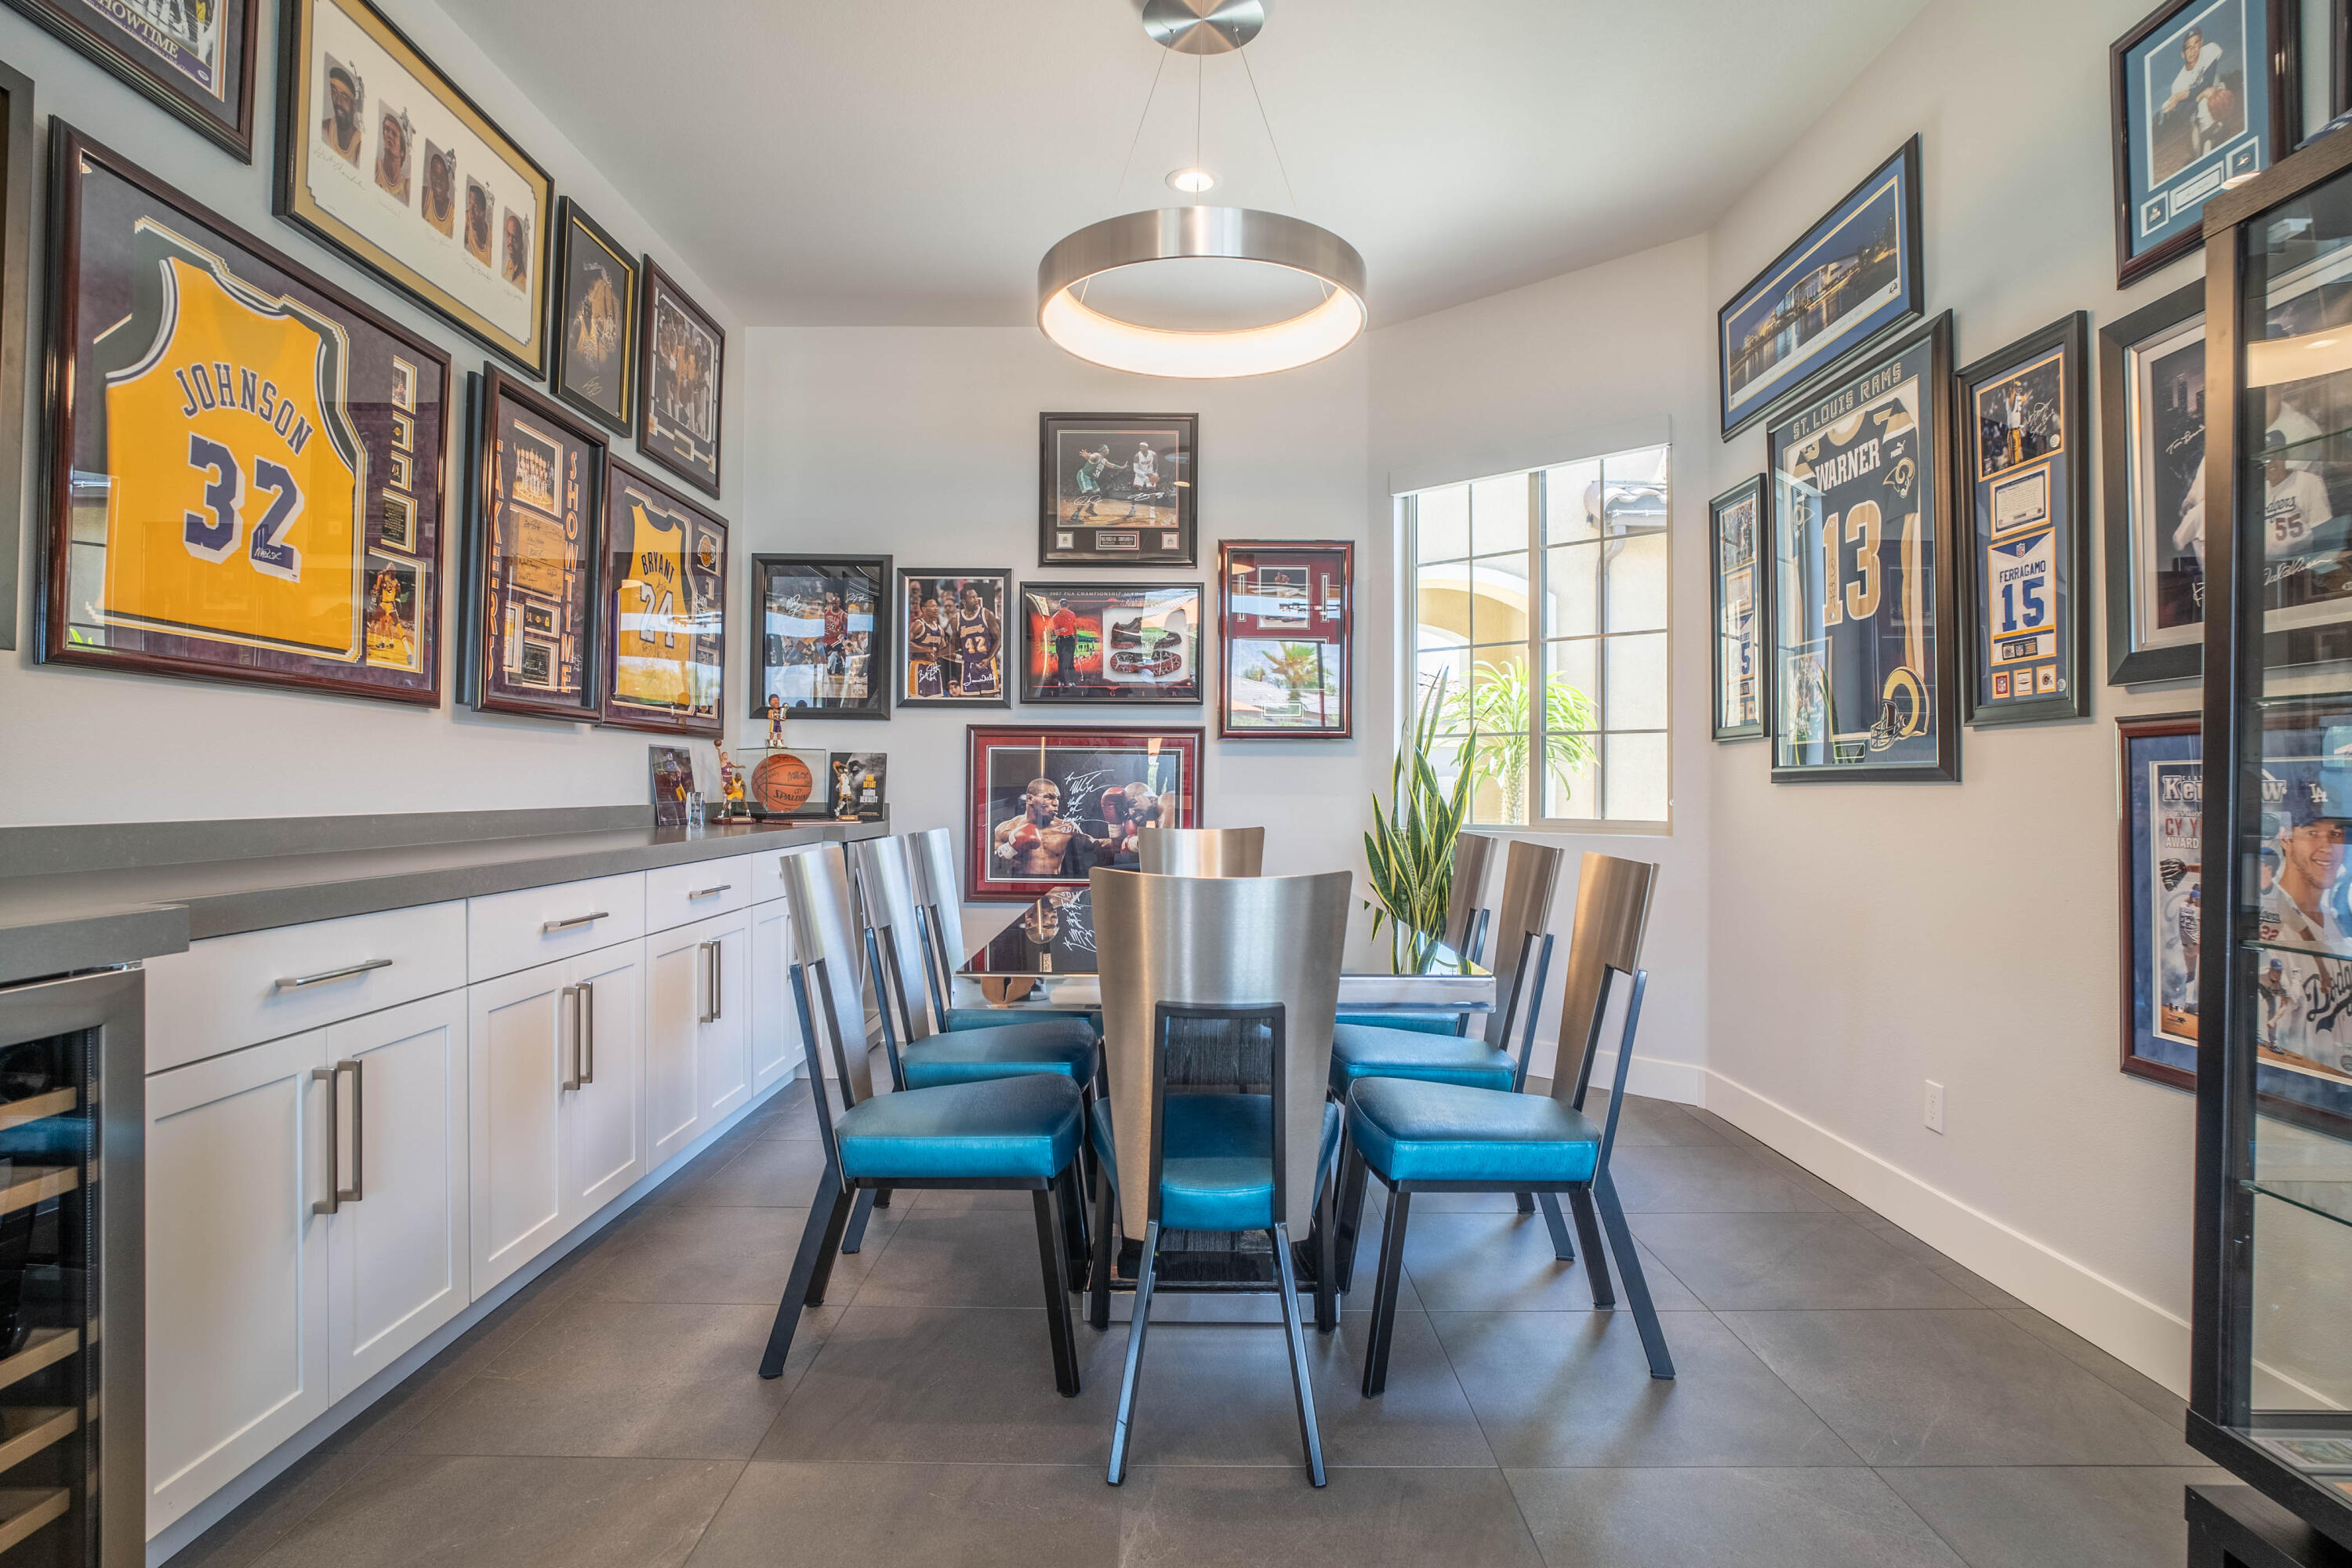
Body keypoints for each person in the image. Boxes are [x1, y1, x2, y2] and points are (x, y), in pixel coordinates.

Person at [2260, 779, 2352, 1077]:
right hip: (2299, 1095)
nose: (2328, 847)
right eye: (2313, 833)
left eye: (2336, 834)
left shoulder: (2331, 917)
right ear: (2286, 839)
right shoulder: (2272, 927)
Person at [993, 778, 1085, 877]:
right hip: (1021, 886)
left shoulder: (1068, 828)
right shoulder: (1005, 829)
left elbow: (1092, 848)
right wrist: (1011, 848)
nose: (1056, 803)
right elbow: (992, 864)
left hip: (1055, 886)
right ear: (1030, 799)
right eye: (1048, 797)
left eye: (1057, 798)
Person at [956, 583, 1000, 696]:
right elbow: (955, 645)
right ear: (964, 602)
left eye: (976, 596)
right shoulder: (957, 619)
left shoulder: (987, 614)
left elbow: (998, 640)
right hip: (969, 666)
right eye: (972, 598)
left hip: (987, 664)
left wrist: (989, 658)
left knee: (989, 702)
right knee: (970, 703)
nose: (976, 600)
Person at [321, 60, 363, 165]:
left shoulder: (360, 146)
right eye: (335, 93)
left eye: (344, 98)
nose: (338, 102)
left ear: (354, 107)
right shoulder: (324, 129)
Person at [907, 593, 947, 699]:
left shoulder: (940, 629)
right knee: (917, 702)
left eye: (937, 606)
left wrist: (962, 658)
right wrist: (927, 649)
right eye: (933, 606)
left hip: (934, 668)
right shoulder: (918, 624)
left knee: (935, 703)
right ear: (924, 609)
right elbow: (906, 645)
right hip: (918, 667)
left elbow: (944, 651)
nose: (936, 609)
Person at [373, 107, 412, 203]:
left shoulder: (407, 186)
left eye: (394, 134)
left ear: (402, 152)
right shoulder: (375, 166)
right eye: (386, 129)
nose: (389, 135)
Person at [420, 145, 456, 235]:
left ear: (448, 184)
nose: (438, 180)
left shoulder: (453, 215)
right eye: (435, 175)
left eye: (442, 176)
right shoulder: (425, 196)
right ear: (431, 177)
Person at [1049, 597, 1080, 690]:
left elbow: (1074, 628)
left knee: (1070, 660)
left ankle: (1071, 681)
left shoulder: (1072, 614)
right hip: (1061, 640)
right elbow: (1056, 633)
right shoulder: (1055, 617)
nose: (1064, 609)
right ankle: (1061, 681)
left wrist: (1076, 639)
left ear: (1067, 606)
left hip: (1070, 639)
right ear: (1060, 606)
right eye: (1063, 607)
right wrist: (1061, 630)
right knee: (1061, 661)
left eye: (1065, 607)